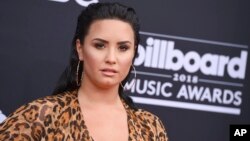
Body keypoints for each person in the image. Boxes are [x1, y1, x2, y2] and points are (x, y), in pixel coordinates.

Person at [0, 2, 168, 141]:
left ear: (134, 53)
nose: (111, 58)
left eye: (123, 48)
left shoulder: (150, 127)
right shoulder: (41, 116)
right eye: (99, 45)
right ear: (80, 48)